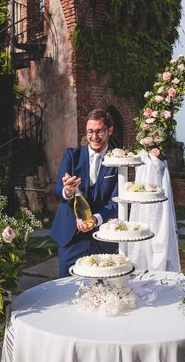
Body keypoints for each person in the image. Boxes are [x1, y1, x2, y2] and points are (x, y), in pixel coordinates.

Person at [50, 109, 119, 277]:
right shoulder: (71, 156)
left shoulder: (119, 161)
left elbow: (118, 200)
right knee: (66, 288)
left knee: (102, 287)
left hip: (103, 236)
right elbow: (59, 190)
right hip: (72, 236)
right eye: (90, 131)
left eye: (99, 131)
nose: (94, 136)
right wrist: (67, 190)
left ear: (109, 130)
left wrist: (96, 218)